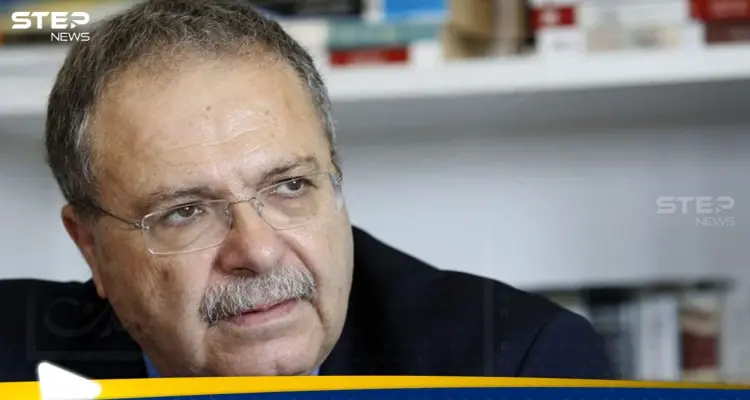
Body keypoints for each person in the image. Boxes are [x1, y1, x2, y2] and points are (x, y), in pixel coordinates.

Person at [0, 0, 615, 382]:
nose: (259, 251)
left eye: (290, 185)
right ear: (90, 246)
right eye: (185, 212)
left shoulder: (513, 366)